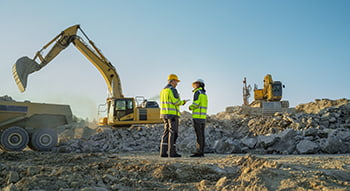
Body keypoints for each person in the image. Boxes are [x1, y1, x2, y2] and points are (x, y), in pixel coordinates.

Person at [159, 74, 187, 158]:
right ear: (172, 81)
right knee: (173, 132)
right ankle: (172, 153)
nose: (177, 84)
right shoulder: (172, 90)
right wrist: (183, 102)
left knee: (166, 132)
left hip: (164, 114)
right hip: (172, 114)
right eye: (176, 82)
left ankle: (163, 152)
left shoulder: (163, 91)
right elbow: (175, 102)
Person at [189, 79, 208, 157]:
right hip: (203, 117)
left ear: (198, 85)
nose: (193, 86)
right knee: (202, 135)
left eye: (194, 84)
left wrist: (190, 107)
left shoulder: (197, 92)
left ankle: (199, 152)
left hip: (197, 117)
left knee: (198, 135)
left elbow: (196, 104)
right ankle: (201, 151)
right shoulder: (204, 94)